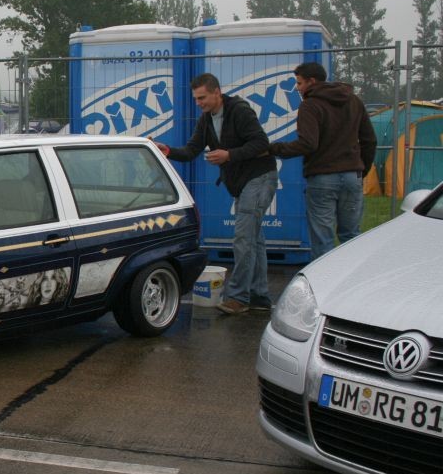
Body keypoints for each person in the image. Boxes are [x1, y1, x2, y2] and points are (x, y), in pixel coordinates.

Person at [154, 73, 277, 315]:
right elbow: (191, 150)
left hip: (260, 177)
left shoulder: (239, 111)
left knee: (243, 238)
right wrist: (167, 150)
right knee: (253, 239)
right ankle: (259, 296)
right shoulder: (206, 119)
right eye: (196, 99)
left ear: (217, 93)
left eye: (202, 98)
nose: (198, 103)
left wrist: (228, 155)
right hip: (242, 182)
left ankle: (239, 298)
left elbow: (261, 143)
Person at [268, 62, 376, 260]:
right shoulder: (354, 101)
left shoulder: (310, 105)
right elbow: (369, 140)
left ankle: (325, 278)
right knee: (351, 235)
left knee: (322, 240)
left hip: (322, 178)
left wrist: (272, 149)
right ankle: (352, 277)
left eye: (299, 83)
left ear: (312, 81)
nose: (297, 88)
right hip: (352, 176)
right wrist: (361, 171)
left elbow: (308, 144)